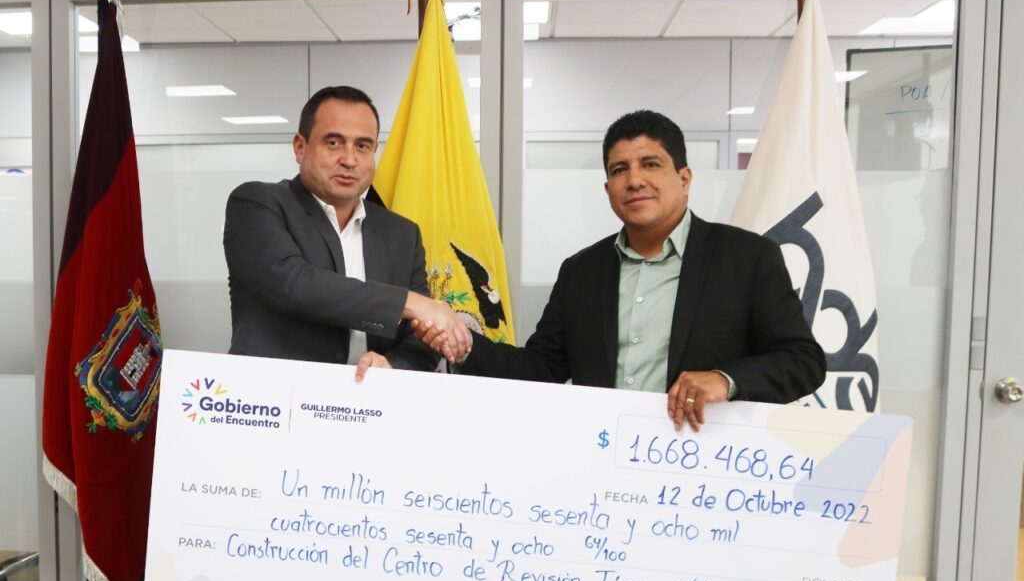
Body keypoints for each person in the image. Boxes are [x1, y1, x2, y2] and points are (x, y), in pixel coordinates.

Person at [423, 110, 824, 431]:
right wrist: (462, 341)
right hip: (603, 466)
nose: (634, 180)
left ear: (684, 178)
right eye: (619, 170)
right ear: (608, 189)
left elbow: (803, 361)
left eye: (650, 164)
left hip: (701, 469)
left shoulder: (747, 257)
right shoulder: (581, 272)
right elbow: (542, 368)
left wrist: (724, 379)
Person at [223, 85, 470, 377]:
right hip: (273, 397)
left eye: (363, 146)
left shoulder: (402, 234)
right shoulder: (256, 203)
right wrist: (410, 303)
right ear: (300, 147)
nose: (349, 160)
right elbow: (295, 285)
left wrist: (393, 364)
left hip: (369, 400)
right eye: (334, 143)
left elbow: (420, 338)